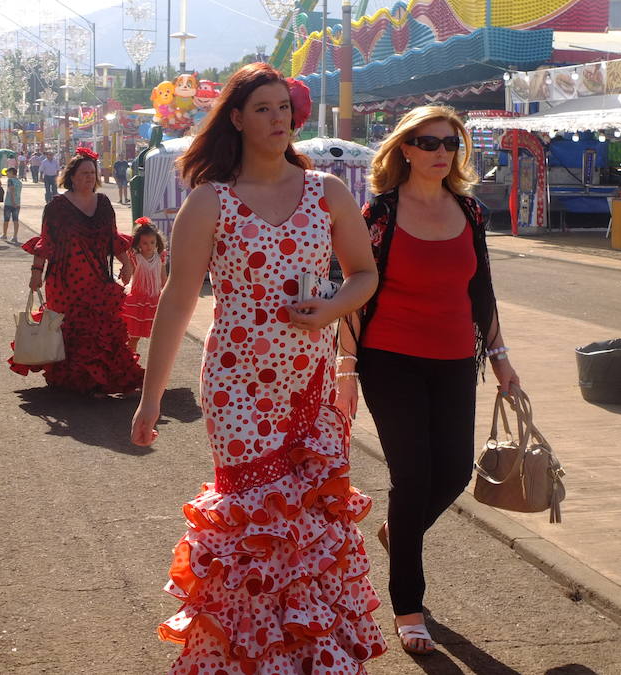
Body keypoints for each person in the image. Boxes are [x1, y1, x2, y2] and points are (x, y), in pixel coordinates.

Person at [130, 62, 386, 672]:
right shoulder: (209, 202)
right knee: (251, 518)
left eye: (284, 109)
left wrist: (329, 308)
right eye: (264, 109)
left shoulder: (328, 190)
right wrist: (150, 399)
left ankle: (306, 657)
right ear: (238, 119)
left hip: (310, 384)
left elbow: (366, 275)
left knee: (309, 520)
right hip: (237, 386)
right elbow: (178, 301)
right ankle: (244, 655)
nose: (278, 119)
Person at [336, 105, 520, 656]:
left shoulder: (470, 210)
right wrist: (346, 368)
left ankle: (401, 530)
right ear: (406, 149)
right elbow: (355, 289)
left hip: (454, 359)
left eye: (450, 144)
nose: (441, 153)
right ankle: (408, 606)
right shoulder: (381, 213)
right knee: (412, 477)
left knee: (455, 470)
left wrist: (503, 358)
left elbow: (481, 290)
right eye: (429, 142)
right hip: (389, 358)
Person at [10, 147, 144, 395]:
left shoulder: (103, 203)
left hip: (98, 278)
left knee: (100, 328)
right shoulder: (56, 207)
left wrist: (126, 262)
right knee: (71, 328)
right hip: (65, 280)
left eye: (92, 173)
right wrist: (36, 273)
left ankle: (99, 379)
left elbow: (112, 237)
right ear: (71, 176)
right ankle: (73, 381)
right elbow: (46, 242)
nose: (89, 177)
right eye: (84, 173)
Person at [122, 217, 167, 353]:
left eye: (152, 242)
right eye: (145, 243)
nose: (149, 246)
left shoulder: (161, 257)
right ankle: (130, 361)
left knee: (159, 337)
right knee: (134, 336)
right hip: (138, 300)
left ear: (157, 242)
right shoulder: (135, 258)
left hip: (155, 301)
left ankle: (157, 364)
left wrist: (167, 296)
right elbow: (128, 276)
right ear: (138, 244)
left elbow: (164, 278)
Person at [1, 167, 22, 244]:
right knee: (15, 220)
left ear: (12, 173)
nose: (7, 174)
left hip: (9, 203)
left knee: (6, 219)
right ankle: (15, 236)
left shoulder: (10, 180)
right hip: (18, 203)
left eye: (8, 172)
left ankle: (4, 234)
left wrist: (13, 201)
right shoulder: (19, 182)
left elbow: (11, 190)